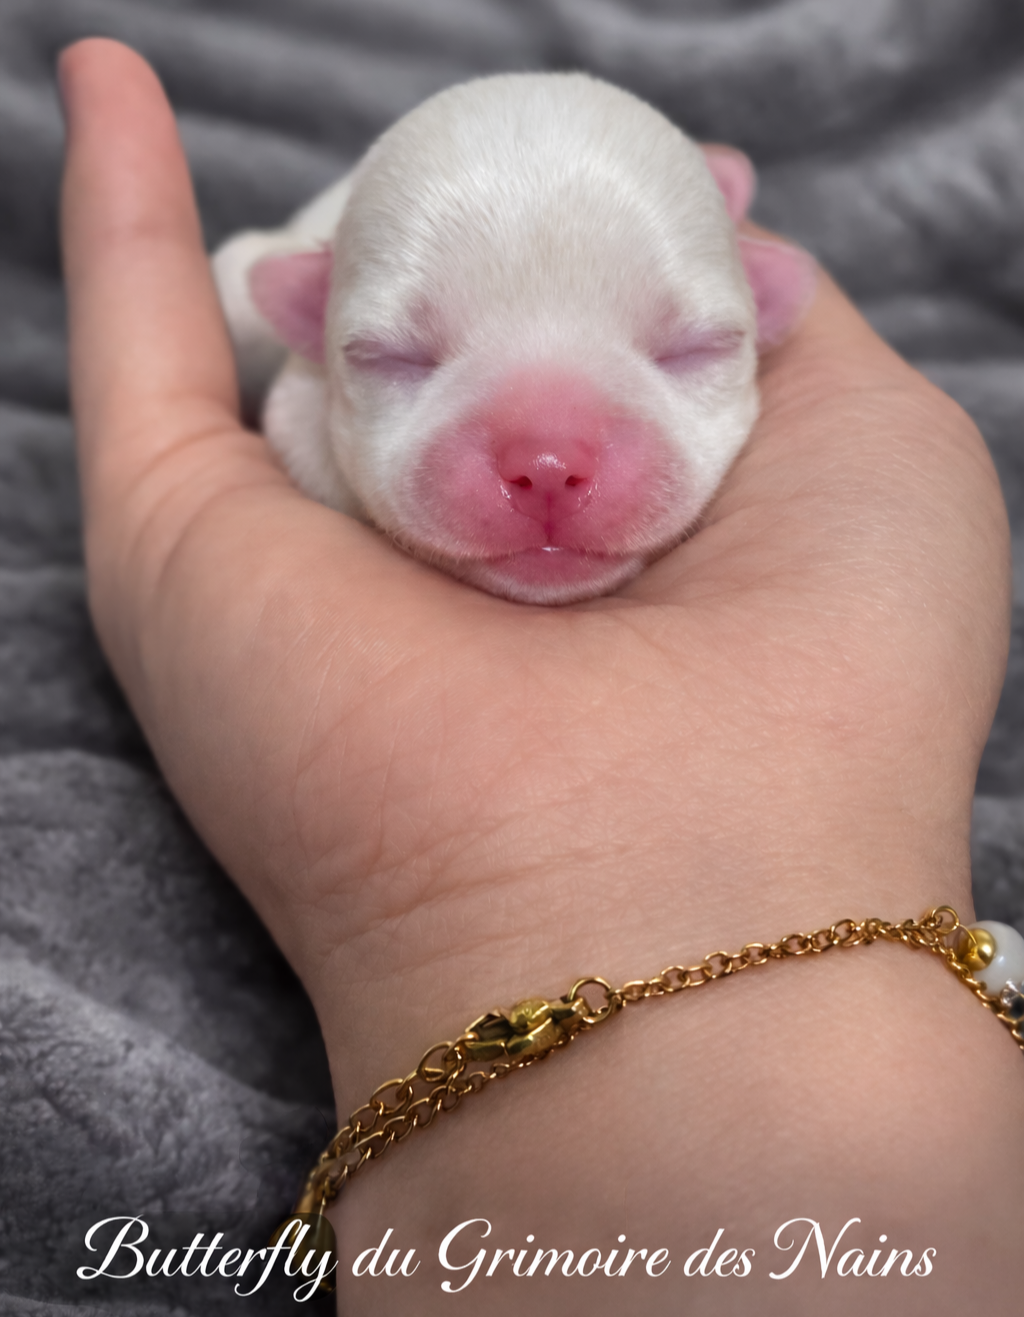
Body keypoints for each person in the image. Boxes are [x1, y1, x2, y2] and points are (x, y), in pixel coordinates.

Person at [59, 37, 1023, 1314]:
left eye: (682, 351)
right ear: (308, 327)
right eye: (399, 360)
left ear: (767, 311)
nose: (549, 460)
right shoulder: (289, 358)